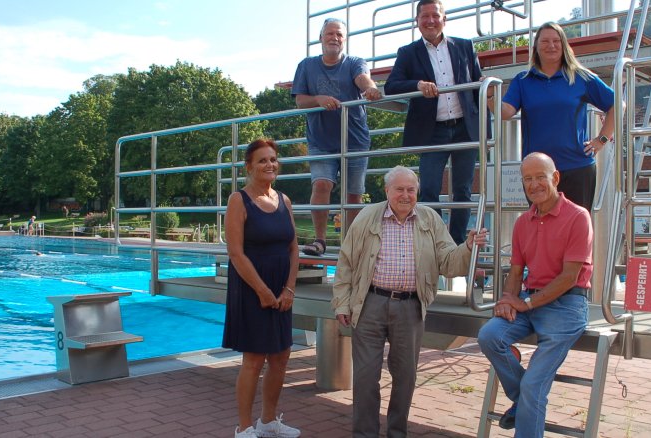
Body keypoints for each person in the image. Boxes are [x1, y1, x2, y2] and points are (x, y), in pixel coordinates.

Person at [332, 165, 488, 437]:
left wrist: (468, 247)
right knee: (366, 377)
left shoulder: (428, 219)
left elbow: (449, 263)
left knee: (405, 378)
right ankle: (365, 434)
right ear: (387, 191)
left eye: (411, 189)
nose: (406, 195)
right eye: (400, 189)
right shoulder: (368, 216)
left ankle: (397, 433)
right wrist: (342, 303)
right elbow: (346, 263)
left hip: (410, 306)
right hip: (371, 303)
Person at [477, 152, 593, 437]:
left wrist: (525, 303)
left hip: (567, 305)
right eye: (527, 179)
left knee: (534, 385)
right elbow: (516, 272)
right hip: (530, 300)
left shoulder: (578, 216)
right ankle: (522, 402)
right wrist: (507, 301)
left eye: (540, 176)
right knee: (489, 336)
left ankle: (524, 400)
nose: (534, 184)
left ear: (555, 178)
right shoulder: (522, 222)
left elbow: (569, 277)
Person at [384, 0, 486, 245]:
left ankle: (458, 243)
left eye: (435, 15)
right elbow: (391, 86)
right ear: (417, 21)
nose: (430, 20)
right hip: (432, 131)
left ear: (444, 19)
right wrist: (417, 85)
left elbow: (476, 78)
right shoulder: (408, 52)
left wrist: (485, 81)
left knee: (463, 191)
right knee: (428, 189)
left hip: (465, 127)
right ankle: (438, 242)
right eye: (425, 16)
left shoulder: (464, 45)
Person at [222, 138, 301, 438]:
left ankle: (268, 422)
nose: (270, 165)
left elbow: (293, 248)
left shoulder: (285, 200)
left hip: (282, 290)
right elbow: (236, 253)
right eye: (262, 160)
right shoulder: (238, 200)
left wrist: (289, 289)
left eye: (273, 159)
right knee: (254, 360)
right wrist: (263, 292)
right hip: (251, 288)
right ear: (249, 166)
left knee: (281, 356)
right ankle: (243, 427)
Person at [492, 22, 616, 211]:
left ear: (564, 45)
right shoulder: (523, 80)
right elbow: (505, 112)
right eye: (545, 41)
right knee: (541, 230)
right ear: (536, 47)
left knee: (576, 229)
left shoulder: (580, 77)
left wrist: (602, 139)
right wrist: (490, 96)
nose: (551, 45)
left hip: (577, 167)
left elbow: (617, 104)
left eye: (556, 41)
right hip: (538, 173)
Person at [292, 17, 383, 256]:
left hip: (355, 139)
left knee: (354, 192)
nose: (335, 38)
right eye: (330, 33)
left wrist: (370, 88)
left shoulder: (355, 62)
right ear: (321, 38)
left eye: (339, 35)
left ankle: (351, 243)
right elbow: (300, 100)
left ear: (344, 39)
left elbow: (362, 79)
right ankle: (320, 240)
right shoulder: (307, 66)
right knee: (321, 184)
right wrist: (319, 100)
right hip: (321, 141)